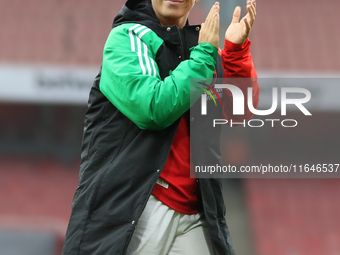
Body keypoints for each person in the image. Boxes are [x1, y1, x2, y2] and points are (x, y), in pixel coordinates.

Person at [62, 0, 259, 254]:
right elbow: (153, 107)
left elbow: (240, 111)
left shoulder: (201, 50)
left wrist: (235, 53)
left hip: (196, 214)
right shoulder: (128, 37)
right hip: (138, 207)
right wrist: (205, 57)